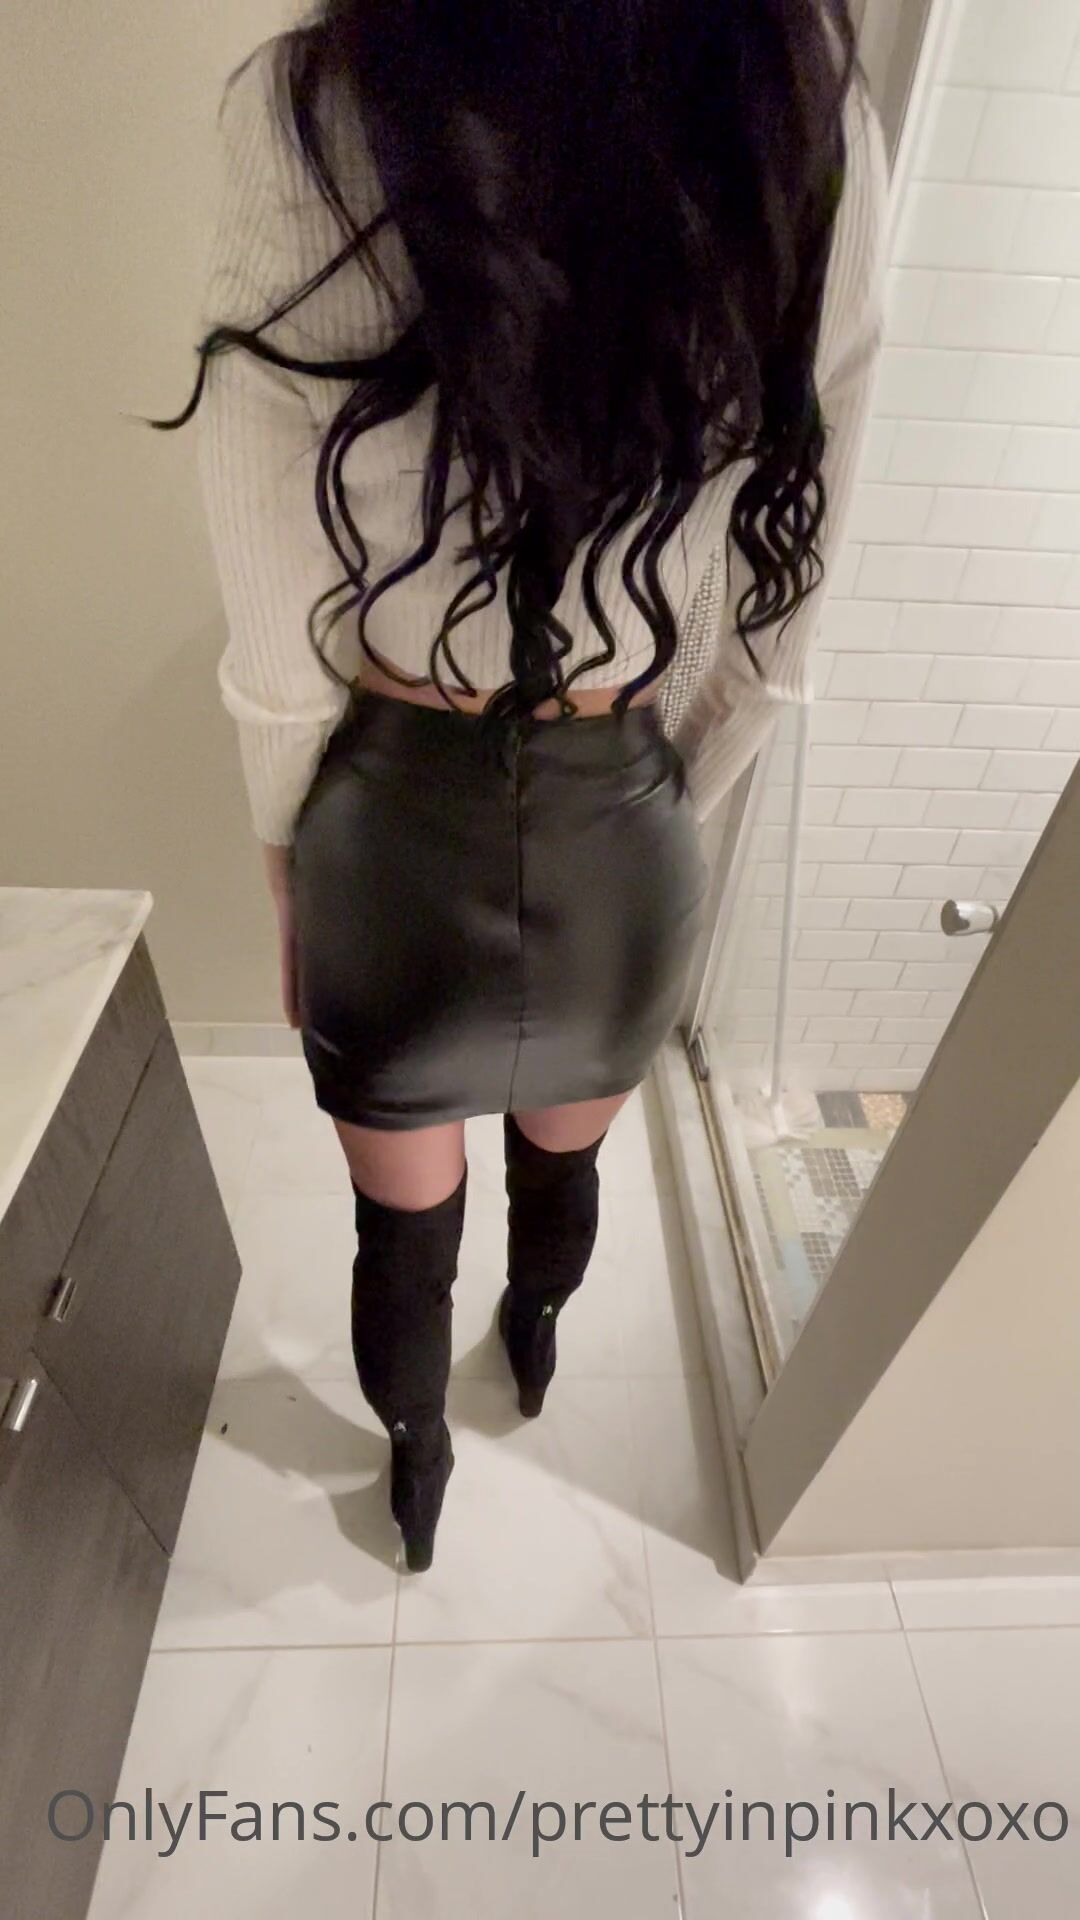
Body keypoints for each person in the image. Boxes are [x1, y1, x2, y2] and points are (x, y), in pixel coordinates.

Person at [152, 1, 886, 1571]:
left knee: (400, 1228)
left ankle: (416, 1466)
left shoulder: (320, 98)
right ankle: (536, 1341)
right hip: (626, 792)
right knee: (569, 1158)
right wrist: (665, 791)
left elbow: (271, 584)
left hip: (392, 814)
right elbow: (799, 563)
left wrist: (292, 858)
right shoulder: (801, 108)